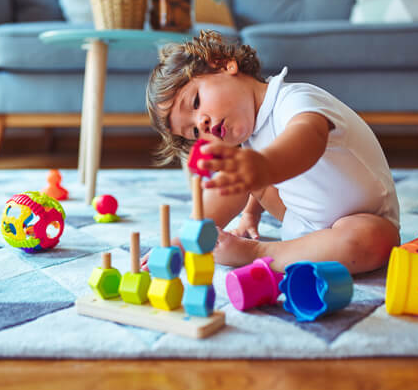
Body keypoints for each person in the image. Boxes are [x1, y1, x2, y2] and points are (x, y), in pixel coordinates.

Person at [145, 30, 400, 274]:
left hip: (362, 220)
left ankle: (259, 253)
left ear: (224, 65)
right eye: (194, 133)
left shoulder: (294, 99)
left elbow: (309, 138)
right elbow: (233, 191)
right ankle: (297, 251)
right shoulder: (247, 141)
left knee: (373, 239)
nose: (202, 124)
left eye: (196, 102)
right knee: (236, 176)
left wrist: (262, 166)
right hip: (301, 225)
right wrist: (185, 239)